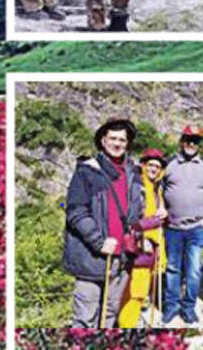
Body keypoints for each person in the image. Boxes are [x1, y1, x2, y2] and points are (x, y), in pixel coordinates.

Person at [63, 118, 146, 328]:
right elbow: (76, 212)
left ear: (128, 144)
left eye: (122, 140)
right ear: (103, 140)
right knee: (85, 318)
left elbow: (136, 213)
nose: (117, 144)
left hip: (122, 259)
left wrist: (138, 236)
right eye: (113, 138)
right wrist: (99, 241)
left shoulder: (134, 173)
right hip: (92, 258)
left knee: (109, 315)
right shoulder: (87, 171)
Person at [162, 125, 203, 326]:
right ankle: (171, 307)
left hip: (197, 228)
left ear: (199, 144)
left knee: (194, 271)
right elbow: (157, 191)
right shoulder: (168, 164)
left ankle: (188, 309)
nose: (191, 144)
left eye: (196, 140)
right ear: (182, 141)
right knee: (172, 269)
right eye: (188, 139)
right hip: (172, 229)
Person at [118, 149, 168, 328]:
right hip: (140, 245)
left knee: (134, 289)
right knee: (136, 291)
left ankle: (126, 321)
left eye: (157, 166)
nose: (154, 169)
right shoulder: (138, 187)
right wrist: (145, 234)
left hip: (151, 244)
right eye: (151, 165)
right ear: (144, 165)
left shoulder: (156, 189)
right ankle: (127, 325)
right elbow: (132, 219)